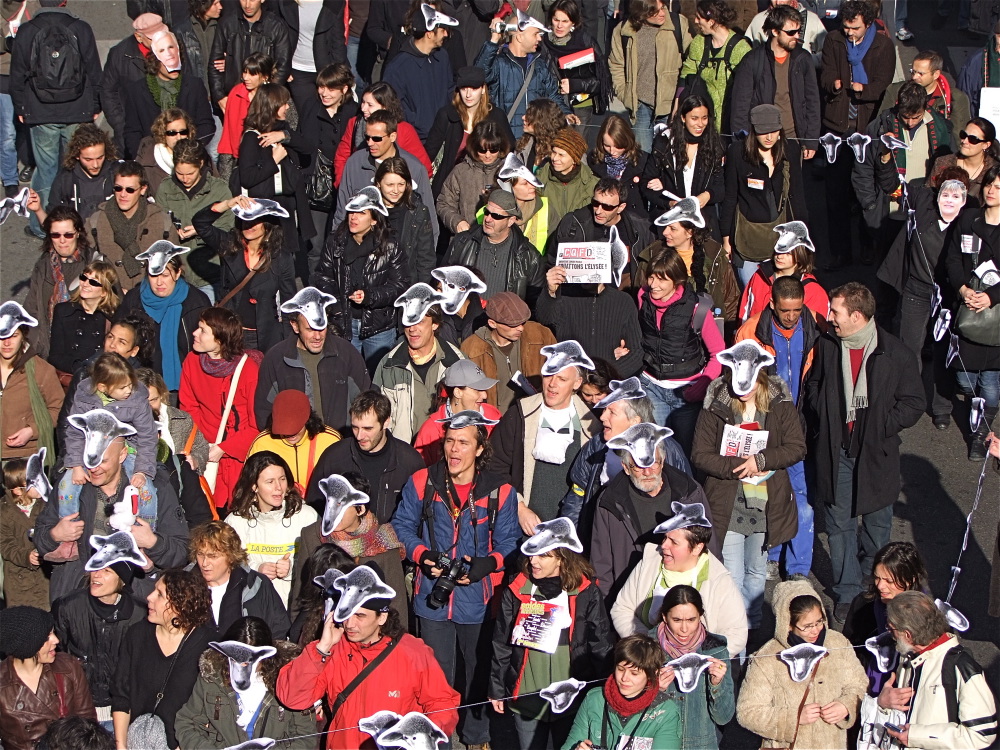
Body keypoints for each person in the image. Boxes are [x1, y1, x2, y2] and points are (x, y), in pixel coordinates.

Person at [393, 413, 520, 750]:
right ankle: (439, 740)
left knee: (478, 672)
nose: (453, 449)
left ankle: (477, 738)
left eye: (463, 442)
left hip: (479, 599)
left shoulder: (501, 491)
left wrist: (486, 565)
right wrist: (422, 555)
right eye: (449, 441)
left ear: (480, 449)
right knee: (436, 677)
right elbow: (400, 528)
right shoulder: (422, 481)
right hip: (431, 596)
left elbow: (510, 543)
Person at [804, 282, 924, 624]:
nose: (830, 318)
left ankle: (876, 587)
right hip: (836, 449)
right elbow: (814, 383)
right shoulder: (829, 345)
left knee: (876, 526)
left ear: (857, 316)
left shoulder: (895, 353)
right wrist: (821, 409)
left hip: (877, 455)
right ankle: (847, 591)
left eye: (836, 312)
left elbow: (914, 402)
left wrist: (882, 425)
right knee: (840, 525)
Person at [276, 564, 460, 750]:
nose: (349, 624)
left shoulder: (413, 652)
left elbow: (442, 704)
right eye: (347, 613)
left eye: (360, 616)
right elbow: (292, 698)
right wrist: (322, 648)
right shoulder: (332, 649)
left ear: (382, 617)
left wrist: (423, 741)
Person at [691, 341, 806, 628]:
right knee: (732, 571)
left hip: (767, 501)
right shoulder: (716, 400)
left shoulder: (779, 401)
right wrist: (736, 465)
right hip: (727, 501)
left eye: (749, 389)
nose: (743, 395)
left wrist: (762, 460)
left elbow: (796, 447)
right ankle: (735, 630)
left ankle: (752, 626)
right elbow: (699, 454)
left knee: (756, 570)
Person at [489, 522, 613, 750]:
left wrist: (605, 688)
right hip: (526, 697)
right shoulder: (516, 589)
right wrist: (496, 688)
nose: (533, 561)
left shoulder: (586, 591)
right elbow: (501, 643)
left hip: (572, 698)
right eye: (531, 555)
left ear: (562, 558)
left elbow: (600, 643)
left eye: (543, 556)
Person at [35, 429, 190, 602]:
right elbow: (39, 539)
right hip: (77, 599)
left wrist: (153, 543)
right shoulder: (71, 488)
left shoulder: (154, 489)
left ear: (122, 455)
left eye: (103, 461)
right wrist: (54, 535)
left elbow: (181, 553)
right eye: (90, 459)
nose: (94, 468)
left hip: (133, 603)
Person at [736, 277, 823, 583]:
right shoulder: (750, 332)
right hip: (762, 427)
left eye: (797, 310)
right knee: (766, 495)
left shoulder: (813, 327)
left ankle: (798, 569)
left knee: (800, 499)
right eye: (785, 311)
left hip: (796, 426)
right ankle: (772, 556)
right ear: (772, 304)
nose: (791, 317)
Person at [877, 171, 967, 431]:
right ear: (936, 195)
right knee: (909, 348)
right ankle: (909, 399)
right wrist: (884, 157)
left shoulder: (968, 222)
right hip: (916, 289)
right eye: (945, 194)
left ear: (965, 199)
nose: (949, 200)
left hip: (948, 295)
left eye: (956, 195)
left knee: (943, 352)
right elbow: (890, 185)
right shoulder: (922, 205)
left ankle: (941, 408)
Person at [736, 580, 868, 749]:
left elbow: (860, 684)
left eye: (819, 621)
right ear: (788, 625)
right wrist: (793, 718)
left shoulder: (837, 643)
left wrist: (847, 705)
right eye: (806, 626)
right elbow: (747, 712)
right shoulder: (767, 658)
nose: (815, 630)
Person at [8, 3, 102, 241]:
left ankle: (42, 225)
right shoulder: (81, 28)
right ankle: (80, 221)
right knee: (78, 167)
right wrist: (95, 105)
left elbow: (18, 72)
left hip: (40, 111)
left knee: (46, 169)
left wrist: (21, 107)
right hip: (77, 109)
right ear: (64, 2)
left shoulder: (28, 30)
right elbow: (93, 69)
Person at [489, 342, 600, 527]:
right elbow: (494, 467)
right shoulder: (519, 415)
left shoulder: (592, 425)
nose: (552, 384)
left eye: (562, 379)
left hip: (571, 529)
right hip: (523, 527)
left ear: (577, 383)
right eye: (549, 375)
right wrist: (518, 507)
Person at [820, 0, 895, 266]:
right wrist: (834, 83)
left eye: (855, 28)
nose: (849, 32)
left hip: (866, 128)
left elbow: (884, 84)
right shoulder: (833, 40)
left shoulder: (883, 46)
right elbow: (825, 74)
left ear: (869, 23)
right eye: (846, 27)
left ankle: (868, 246)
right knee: (836, 194)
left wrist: (863, 89)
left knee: (866, 193)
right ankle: (840, 252)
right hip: (838, 128)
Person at [610, 510, 747, 656]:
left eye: (674, 542)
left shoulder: (718, 579)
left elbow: (737, 634)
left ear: (697, 548)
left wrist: (701, 660)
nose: (664, 546)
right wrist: (646, 645)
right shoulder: (649, 563)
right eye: (665, 538)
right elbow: (622, 609)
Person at [590, 431, 706, 601]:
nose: (647, 472)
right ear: (626, 468)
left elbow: (709, 548)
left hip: (685, 597)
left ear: (663, 462)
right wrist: (607, 609)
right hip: (631, 598)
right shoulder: (609, 501)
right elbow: (601, 564)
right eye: (638, 466)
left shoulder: (689, 491)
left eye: (653, 463)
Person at [875, 591, 998, 750]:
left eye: (891, 629)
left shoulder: (961, 667)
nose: (890, 634)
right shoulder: (908, 658)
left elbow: (981, 735)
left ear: (908, 635)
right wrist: (883, 702)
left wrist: (916, 736)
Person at [634, 245, 724, 453]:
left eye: (661, 279)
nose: (653, 285)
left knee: (687, 453)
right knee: (657, 451)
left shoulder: (696, 308)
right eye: (651, 278)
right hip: (652, 386)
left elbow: (718, 353)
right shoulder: (642, 297)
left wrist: (702, 385)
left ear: (677, 281)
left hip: (687, 393)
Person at [110, 569, 214, 750]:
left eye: (159, 594)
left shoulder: (208, 646)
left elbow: (210, 709)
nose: (149, 597)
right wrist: (121, 746)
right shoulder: (137, 635)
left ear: (180, 604)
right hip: (137, 742)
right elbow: (121, 695)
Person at [175, 615, 315, 748]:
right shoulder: (212, 677)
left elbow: (305, 736)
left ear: (265, 657)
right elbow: (187, 723)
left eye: (248, 662)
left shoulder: (290, 681)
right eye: (234, 659)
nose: (241, 667)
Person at [853, 82, 952, 265]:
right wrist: (870, 204)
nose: (910, 123)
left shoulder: (940, 128)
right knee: (887, 270)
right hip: (889, 213)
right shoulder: (879, 128)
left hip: (925, 211)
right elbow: (863, 169)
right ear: (898, 105)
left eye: (916, 117)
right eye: (906, 117)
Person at [59, 352, 160, 530]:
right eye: (122, 388)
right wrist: (75, 466)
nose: (129, 390)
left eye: (131, 384)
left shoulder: (137, 400)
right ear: (103, 387)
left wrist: (142, 470)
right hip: (88, 448)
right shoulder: (84, 397)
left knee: (146, 492)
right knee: (66, 487)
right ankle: (69, 530)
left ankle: (146, 533)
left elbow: (147, 436)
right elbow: (75, 432)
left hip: (127, 449)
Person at [314, 186, 410, 373]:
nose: (353, 217)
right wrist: (336, 308)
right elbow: (321, 277)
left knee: (378, 378)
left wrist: (370, 296)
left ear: (374, 219)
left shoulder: (390, 246)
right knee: (346, 378)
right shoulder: (336, 242)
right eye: (351, 211)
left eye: (361, 212)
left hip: (379, 327)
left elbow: (401, 285)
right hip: (344, 323)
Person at [253, 289, 372, 435]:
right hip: (293, 449)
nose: (317, 336)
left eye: (322, 328)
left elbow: (365, 401)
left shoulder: (346, 353)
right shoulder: (276, 359)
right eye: (310, 329)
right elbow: (264, 411)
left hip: (339, 445)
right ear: (295, 326)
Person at [292, 470, 407, 617]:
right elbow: (301, 594)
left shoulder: (383, 543)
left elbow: (397, 604)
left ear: (360, 509)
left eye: (342, 506)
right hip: (321, 627)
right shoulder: (312, 535)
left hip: (366, 633)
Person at [179, 307, 261, 509]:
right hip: (203, 451)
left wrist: (224, 448)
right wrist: (200, 445)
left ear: (220, 340)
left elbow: (255, 424)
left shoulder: (248, 371)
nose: (194, 334)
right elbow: (189, 408)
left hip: (236, 458)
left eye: (202, 330)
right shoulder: (192, 361)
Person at [193, 195, 296, 353]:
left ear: (267, 224)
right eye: (245, 220)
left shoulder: (281, 257)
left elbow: (289, 302)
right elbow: (200, 223)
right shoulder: (230, 245)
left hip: (265, 335)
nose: (249, 225)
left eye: (255, 221)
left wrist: (288, 342)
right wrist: (227, 203)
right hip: (231, 332)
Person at [945, 163, 1000, 459]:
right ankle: (976, 409)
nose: (991, 190)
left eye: (998, 187)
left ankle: (982, 435)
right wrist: (963, 289)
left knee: (990, 380)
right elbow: (953, 258)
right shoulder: (969, 219)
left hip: (996, 315)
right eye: (989, 184)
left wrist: (990, 297)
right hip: (967, 306)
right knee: (965, 379)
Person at [304, 390, 424, 526]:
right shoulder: (334, 456)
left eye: (368, 428)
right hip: (342, 542)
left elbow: (420, 514)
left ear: (386, 423)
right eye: (355, 428)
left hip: (392, 543)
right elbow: (315, 505)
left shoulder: (409, 461)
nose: (360, 436)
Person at [52, 561, 147, 731]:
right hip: (78, 710)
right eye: (95, 567)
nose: (97, 574)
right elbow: (58, 656)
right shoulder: (67, 607)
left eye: (107, 570)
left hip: (122, 713)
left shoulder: (140, 614)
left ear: (122, 580)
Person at [722, 105, 808, 288]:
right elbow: (730, 196)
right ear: (753, 130)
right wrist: (726, 238)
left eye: (774, 131)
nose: (769, 137)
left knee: (782, 294)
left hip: (783, 237)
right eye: (763, 132)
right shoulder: (737, 152)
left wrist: (802, 236)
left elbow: (798, 196)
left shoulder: (791, 149)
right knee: (754, 293)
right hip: (747, 238)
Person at [538, 232, 645, 377]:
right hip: (571, 379)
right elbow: (545, 319)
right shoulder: (566, 296)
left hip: (606, 385)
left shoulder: (623, 301)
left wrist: (607, 376)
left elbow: (636, 352)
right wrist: (550, 291)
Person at [224, 451, 319, 607]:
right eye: (270, 481)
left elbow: (321, 563)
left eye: (282, 479)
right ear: (254, 486)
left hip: (296, 607)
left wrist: (293, 569)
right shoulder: (236, 521)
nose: (278, 487)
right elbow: (226, 566)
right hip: (253, 608)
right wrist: (255, 569)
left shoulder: (307, 516)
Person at [728, 5, 820, 159]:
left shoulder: (803, 59)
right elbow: (740, 106)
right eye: (791, 32)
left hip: (794, 138)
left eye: (798, 31)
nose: (796, 36)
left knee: (792, 183)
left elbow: (812, 102)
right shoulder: (752, 61)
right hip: (761, 139)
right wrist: (741, 143)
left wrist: (810, 140)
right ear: (775, 31)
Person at [562, 634, 682, 750]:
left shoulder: (666, 711)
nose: (624, 678)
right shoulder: (595, 699)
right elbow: (570, 744)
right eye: (620, 669)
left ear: (652, 674)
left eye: (634, 673)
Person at [334, 108, 437, 243]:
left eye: (377, 138)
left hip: (402, 252)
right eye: (367, 137)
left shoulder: (415, 169)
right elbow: (342, 211)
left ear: (393, 137)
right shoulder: (355, 163)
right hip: (361, 250)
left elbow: (429, 221)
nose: (370, 143)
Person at [236, 82, 315, 257]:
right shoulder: (251, 138)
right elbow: (247, 177)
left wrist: (285, 136)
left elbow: (308, 149)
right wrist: (274, 160)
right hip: (266, 211)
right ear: (272, 106)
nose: (288, 107)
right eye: (284, 103)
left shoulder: (282, 129)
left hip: (286, 207)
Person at [0, 606, 96, 750]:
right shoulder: (2, 682)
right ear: (27, 644)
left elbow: (88, 724)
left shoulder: (68, 668)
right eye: (47, 637)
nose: (56, 640)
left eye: (54, 633)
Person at [117, 249, 212, 393]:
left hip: (184, 384)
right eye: (153, 275)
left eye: (165, 275)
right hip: (141, 382)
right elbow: (120, 338)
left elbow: (209, 346)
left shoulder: (197, 302)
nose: (159, 282)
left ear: (178, 273)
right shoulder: (133, 300)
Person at [841, 541, 929, 696]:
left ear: (911, 579)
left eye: (889, 581)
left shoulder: (927, 615)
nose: (880, 586)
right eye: (877, 578)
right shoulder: (863, 605)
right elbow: (848, 650)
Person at [153, 137, 235, 299]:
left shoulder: (218, 190)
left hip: (209, 275)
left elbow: (227, 231)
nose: (185, 179)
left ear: (201, 164)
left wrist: (201, 231)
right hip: (176, 275)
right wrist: (171, 230)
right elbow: (157, 223)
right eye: (179, 173)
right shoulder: (165, 188)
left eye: (190, 173)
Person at [373, 301, 465, 443]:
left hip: (442, 451)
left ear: (435, 324)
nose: (412, 329)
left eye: (420, 322)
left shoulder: (456, 362)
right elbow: (377, 416)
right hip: (403, 453)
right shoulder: (388, 364)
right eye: (408, 322)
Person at [655, 586, 734, 750]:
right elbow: (628, 712)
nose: (684, 629)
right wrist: (655, 691)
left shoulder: (715, 649)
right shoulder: (646, 648)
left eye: (691, 620)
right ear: (664, 616)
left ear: (700, 616)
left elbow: (724, 717)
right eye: (676, 620)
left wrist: (717, 684)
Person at [637, 200, 740, 325]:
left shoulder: (714, 255)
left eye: (672, 229)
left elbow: (730, 298)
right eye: (666, 227)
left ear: (690, 232)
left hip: (710, 328)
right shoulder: (653, 256)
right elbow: (640, 297)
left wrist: (728, 329)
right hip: (667, 332)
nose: (665, 232)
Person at [474, 7, 571, 139]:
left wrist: (565, 113)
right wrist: (494, 39)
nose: (539, 39)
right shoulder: (499, 63)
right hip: (505, 138)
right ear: (519, 37)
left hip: (534, 138)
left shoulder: (539, 64)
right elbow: (479, 75)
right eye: (535, 34)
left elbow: (552, 95)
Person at [86, 161, 182, 294]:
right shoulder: (96, 221)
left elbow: (176, 266)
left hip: (148, 297)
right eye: (118, 188)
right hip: (109, 299)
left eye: (130, 189)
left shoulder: (161, 221)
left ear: (143, 189)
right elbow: (86, 267)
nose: (123, 194)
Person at [136, 367, 215, 529]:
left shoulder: (182, 419)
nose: (149, 406)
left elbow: (200, 445)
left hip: (181, 487)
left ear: (163, 395)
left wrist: (195, 460)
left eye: (154, 400)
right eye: (143, 401)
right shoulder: (128, 422)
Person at [609, 0, 691, 153]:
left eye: (663, 8)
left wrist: (682, 96)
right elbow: (616, 64)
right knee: (643, 156)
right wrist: (625, 94)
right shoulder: (623, 31)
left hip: (670, 105)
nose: (662, 13)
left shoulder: (677, 24)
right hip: (640, 105)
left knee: (668, 156)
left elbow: (691, 60)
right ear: (641, 13)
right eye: (655, 11)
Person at [641, 93, 726, 240]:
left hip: (703, 223)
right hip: (672, 224)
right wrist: (669, 202)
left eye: (704, 118)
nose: (700, 124)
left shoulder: (714, 145)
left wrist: (706, 196)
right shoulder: (665, 143)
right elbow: (646, 185)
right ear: (683, 118)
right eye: (694, 118)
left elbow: (720, 187)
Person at [188, 520, 291, 638]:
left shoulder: (256, 584)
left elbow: (279, 630)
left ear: (231, 556)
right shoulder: (183, 586)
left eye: (213, 556)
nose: (205, 563)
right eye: (200, 555)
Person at [425, 65, 515, 197]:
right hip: (450, 187)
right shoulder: (447, 115)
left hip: (485, 187)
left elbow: (509, 151)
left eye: (474, 88)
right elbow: (429, 152)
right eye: (463, 89)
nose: (468, 94)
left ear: (483, 89)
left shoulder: (496, 116)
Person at [547, 176, 653, 288]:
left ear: (621, 207)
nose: (598, 211)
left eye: (607, 207)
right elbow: (552, 260)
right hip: (582, 298)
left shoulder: (641, 229)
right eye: (595, 203)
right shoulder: (573, 223)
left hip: (624, 297)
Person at [122, 34, 215, 161]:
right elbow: (132, 132)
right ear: (156, 61)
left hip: (189, 157)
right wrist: (144, 158)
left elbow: (206, 124)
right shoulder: (137, 90)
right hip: (152, 160)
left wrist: (190, 150)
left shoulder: (194, 86)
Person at [460, 291, 556, 413]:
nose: (520, 328)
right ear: (492, 323)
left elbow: (560, 373)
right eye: (513, 325)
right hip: (496, 420)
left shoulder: (541, 335)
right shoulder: (472, 348)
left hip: (535, 415)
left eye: (522, 322)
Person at [443, 188, 544, 302]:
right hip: (467, 318)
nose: (488, 219)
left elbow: (535, 303)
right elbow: (442, 283)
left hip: (504, 319)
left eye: (496, 216)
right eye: (487, 212)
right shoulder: (462, 242)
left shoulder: (530, 257)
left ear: (511, 220)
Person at [22, 204, 96, 360]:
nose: (62, 241)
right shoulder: (43, 264)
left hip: (84, 354)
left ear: (78, 233)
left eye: (68, 235)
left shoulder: (93, 263)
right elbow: (31, 309)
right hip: (48, 350)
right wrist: (37, 346)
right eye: (55, 235)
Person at [300, 62, 357, 262]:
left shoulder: (354, 112)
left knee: (340, 242)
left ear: (344, 89)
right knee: (315, 246)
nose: (324, 93)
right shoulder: (310, 106)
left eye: (331, 88)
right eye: (321, 87)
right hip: (316, 184)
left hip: (344, 183)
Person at [333, 80, 432, 188]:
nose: (363, 108)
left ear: (385, 107)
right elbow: (342, 157)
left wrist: (401, 190)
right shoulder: (355, 123)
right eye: (363, 102)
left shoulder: (404, 130)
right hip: (359, 189)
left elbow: (423, 168)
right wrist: (343, 185)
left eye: (370, 105)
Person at [381, 0, 455, 140]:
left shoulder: (442, 57)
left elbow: (449, 91)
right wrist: (417, 123)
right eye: (442, 30)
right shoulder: (398, 67)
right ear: (429, 34)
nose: (446, 34)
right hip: (415, 140)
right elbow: (393, 107)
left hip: (443, 136)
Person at [0, 304, 63, 463]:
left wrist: (32, 430)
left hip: (24, 456)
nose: (7, 343)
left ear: (23, 336)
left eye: (13, 336)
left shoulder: (41, 370)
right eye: (2, 336)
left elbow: (58, 408)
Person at [247, 390, 342, 493]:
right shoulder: (262, 443)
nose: (290, 435)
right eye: (284, 428)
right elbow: (248, 485)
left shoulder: (331, 440)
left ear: (307, 420)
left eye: (295, 428)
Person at [101, 13, 167, 157]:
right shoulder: (120, 54)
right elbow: (108, 92)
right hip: (134, 126)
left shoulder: (171, 47)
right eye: (152, 36)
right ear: (139, 37)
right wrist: (120, 124)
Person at [207, 0, 291, 114]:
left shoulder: (276, 26)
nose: (247, 5)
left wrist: (266, 97)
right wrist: (220, 97)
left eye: (252, 0)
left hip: (263, 101)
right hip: (233, 97)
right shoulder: (227, 23)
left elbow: (282, 66)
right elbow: (214, 64)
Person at [679, 0, 751, 132]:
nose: (695, 21)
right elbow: (686, 76)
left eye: (699, 18)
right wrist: (676, 109)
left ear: (711, 21)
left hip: (730, 120)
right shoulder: (699, 43)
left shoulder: (740, 49)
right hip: (703, 122)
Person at [414, 359, 502, 465]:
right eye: (477, 390)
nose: (484, 396)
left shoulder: (494, 417)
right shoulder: (430, 430)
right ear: (458, 392)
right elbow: (420, 474)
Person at [543, 0, 612, 136]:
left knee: (576, 150)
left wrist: (574, 85)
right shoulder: (543, 42)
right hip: (552, 104)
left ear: (573, 22)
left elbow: (601, 81)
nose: (559, 26)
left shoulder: (584, 41)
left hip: (580, 105)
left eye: (565, 21)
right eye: (556, 20)